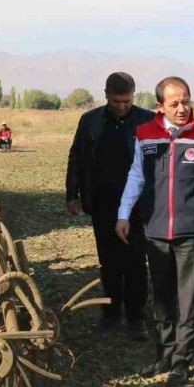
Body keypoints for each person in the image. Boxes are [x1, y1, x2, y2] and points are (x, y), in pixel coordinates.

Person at [116, 76, 194, 386]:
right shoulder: (145, 134)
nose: (182, 108)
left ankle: (183, 361)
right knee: (163, 296)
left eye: (186, 101)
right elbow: (136, 177)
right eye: (174, 103)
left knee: (189, 297)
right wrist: (123, 214)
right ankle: (164, 354)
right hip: (155, 228)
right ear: (160, 106)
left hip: (191, 229)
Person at [65, 72, 156, 339]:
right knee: (109, 261)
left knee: (137, 262)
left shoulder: (148, 121)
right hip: (102, 203)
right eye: (117, 101)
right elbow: (76, 158)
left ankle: (136, 318)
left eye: (127, 101)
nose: (122, 106)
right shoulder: (90, 121)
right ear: (106, 94)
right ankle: (111, 313)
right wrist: (72, 194)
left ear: (134, 95)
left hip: (139, 208)